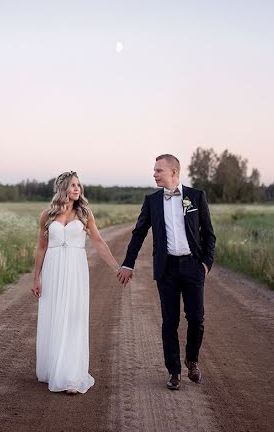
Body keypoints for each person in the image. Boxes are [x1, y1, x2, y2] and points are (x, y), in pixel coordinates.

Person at [117, 154, 216, 390]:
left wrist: (205, 264)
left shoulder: (196, 196)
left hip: (193, 267)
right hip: (167, 269)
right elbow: (138, 233)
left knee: (196, 319)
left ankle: (192, 360)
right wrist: (128, 264)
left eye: (158, 170)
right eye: (154, 170)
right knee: (169, 321)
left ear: (173, 172)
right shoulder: (152, 201)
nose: (154, 174)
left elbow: (209, 235)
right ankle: (174, 371)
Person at [32, 170, 123, 394]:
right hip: (53, 270)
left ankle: (72, 375)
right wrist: (36, 277)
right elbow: (41, 247)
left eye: (78, 185)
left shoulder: (84, 213)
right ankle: (54, 368)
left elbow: (99, 242)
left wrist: (116, 267)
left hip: (75, 269)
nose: (77, 189)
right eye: (73, 185)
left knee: (73, 318)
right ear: (63, 188)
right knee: (55, 316)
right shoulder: (47, 215)